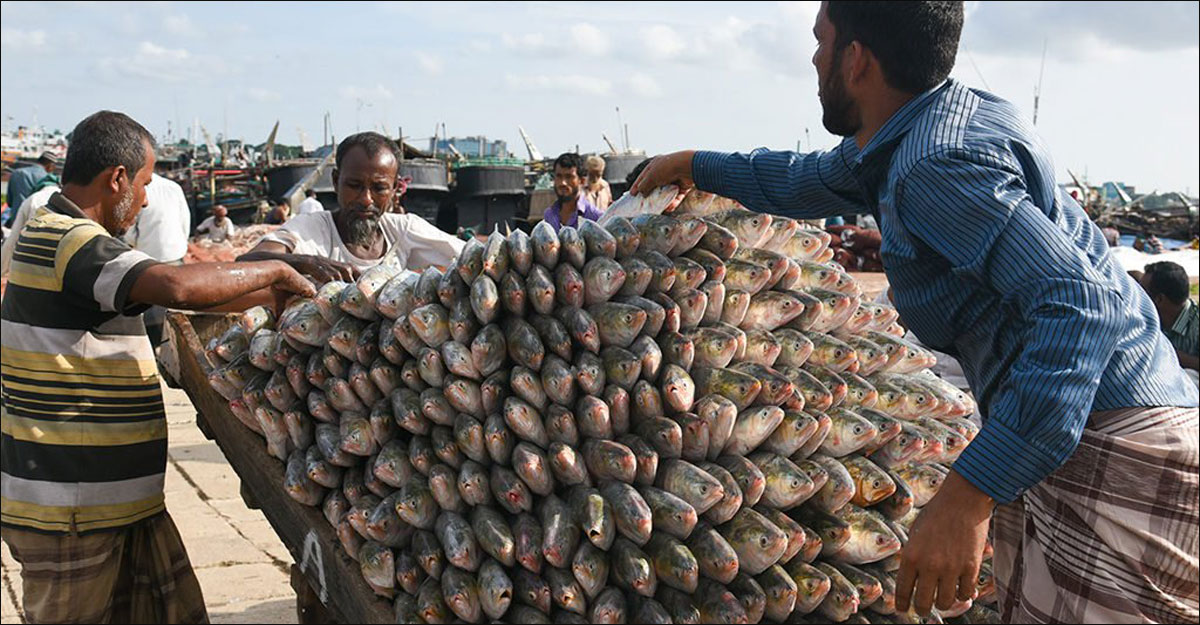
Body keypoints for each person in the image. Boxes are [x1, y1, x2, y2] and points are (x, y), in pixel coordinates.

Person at [631, 2, 1199, 622]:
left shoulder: (934, 167)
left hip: (1109, 444)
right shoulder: (937, 122)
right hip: (1091, 425)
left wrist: (969, 494)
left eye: (820, 41)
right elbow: (814, 178)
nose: (814, 58)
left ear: (856, 59)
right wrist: (695, 164)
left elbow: (1078, 306)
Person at [1, 110, 314, 624]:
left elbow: (183, 300)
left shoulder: (77, 245)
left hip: (120, 501)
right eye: (145, 183)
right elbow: (176, 286)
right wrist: (279, 268)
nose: (146, 199)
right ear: (117, 179)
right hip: (71, 510)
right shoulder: (67, 238)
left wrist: (277, 292)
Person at [238, 132, 465, 281]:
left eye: (379, 188)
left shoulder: (402, 230)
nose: (366, 199)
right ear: (336, 181)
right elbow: (247, 262)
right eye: (354, 185)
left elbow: (471, 256)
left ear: (395, 188)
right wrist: (307, 263)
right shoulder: (311, 230)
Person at [122, 172, 193, 346]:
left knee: (150, 313)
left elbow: (130, 229)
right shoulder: (173, 187)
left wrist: (133, 244)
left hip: (148, 258)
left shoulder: (137, 188)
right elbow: (185, 220)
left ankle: (155, 347)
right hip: (176, 255)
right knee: (176, 309)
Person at [1141, 261, 1199, 376]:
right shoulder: (1146, 318)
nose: (1137, 296)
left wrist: (1168, 354)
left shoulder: (1196, 327)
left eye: (1142, 292)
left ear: (1159, 299)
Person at [541, 152, 603, 231]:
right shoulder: (549, 215)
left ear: (582, 181)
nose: (563, 183)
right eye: (559, 176)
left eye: (569, 177)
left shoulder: (594, 217)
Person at [4, 151, 58, 227]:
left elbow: (9, 201)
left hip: (15, 219)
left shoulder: (16, 173)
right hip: (34, 223)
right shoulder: (47, 178)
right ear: (50, 165)